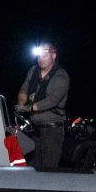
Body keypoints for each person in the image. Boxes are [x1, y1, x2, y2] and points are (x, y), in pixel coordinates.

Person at [15, 42, 69, 171]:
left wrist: (28, 108)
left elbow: (52, 100)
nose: (40, 59)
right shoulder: (33, 70)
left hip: (52, 131)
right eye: (38, 55)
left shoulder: (61, 76)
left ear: (54, 55)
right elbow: (24, 90)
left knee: (49, 170)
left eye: (45, 55)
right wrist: (21, 109)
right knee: (32, 169)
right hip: (34, 130)